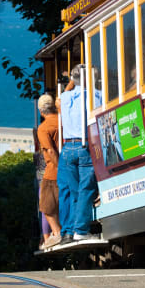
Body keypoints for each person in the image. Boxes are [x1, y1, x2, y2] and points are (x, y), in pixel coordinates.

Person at [57, 64, 101, 243]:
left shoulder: (64, 97)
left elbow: (68, 90)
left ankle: (69, 231)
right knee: (86, 189)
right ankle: (81, 230)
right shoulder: (95, 96)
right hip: (84, 146)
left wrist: (74, 80)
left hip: (67, 148)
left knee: (72, 191)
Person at [36, 94, 62, 249]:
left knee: (46, 205)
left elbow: (50, 151)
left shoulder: (44, 128)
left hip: (54, 170)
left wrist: (59, 167)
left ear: (41, 111)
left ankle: (56, 233)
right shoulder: (63, 120)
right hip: (71, 165)